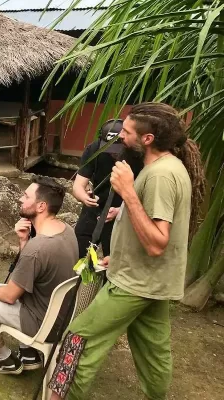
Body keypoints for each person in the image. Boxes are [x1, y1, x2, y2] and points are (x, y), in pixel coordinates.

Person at [48, 103, 206, 400]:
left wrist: (128, 192)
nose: (121, 135)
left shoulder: (159, 176)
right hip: (153, 280)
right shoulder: (166, 167)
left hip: (135, 284)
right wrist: (120, 255)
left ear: (147, 139)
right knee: (153, 352)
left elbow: (157, 242)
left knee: (79, 338)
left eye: (128, 132)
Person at [0, 176, 78, 374]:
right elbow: (31, 274)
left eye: (26, 196)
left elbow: (10, 296)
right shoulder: (68, 231)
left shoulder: (37, 248)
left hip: (42, 324)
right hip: (61, 318)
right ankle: (28, 354)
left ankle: (4, 358)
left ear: (41, 206)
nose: (21, 199)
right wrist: (23, 242)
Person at [73, 119, 143, 258]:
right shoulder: (94, 149)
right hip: (96, 205)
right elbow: (78, 186)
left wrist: (120, 210)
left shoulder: (138, 154)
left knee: (111, 256)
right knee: (80, 250)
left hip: (124, 209)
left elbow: (143, 194)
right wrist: (85, 198)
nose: (113, 154)